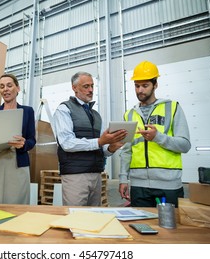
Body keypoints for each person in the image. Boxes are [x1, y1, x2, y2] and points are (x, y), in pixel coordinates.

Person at [118, 61, 191, 207]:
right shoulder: (129, 115)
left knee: (170, 227)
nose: (140, 90)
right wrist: (123, 179)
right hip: (139, 187)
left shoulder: (172, 108)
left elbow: (185, 145)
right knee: (140, 226)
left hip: (168, 186)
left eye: (145, 86)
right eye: (137, 86)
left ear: (155, 85)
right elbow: (126, 151)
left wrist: (158, 137)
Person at [53, 71, 127, 206]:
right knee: (76, 219)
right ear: (74, 88)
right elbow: (67, 143)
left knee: (94, 217)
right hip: (75, 176)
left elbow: (102, 149)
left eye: (92, 86)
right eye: (86, 86)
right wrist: (100, 141)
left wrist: (111, 147)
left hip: (96, 174)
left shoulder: (96, 115)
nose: (91, 90)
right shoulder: (64, 109)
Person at [0, 73, 36, 204]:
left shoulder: (27, 111)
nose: (5, 89)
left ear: (18, 88)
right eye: (1, 86)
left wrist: (24, 144)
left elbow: (32, 140)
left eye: (9, 85)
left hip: (17, 162)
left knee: (17, 202)